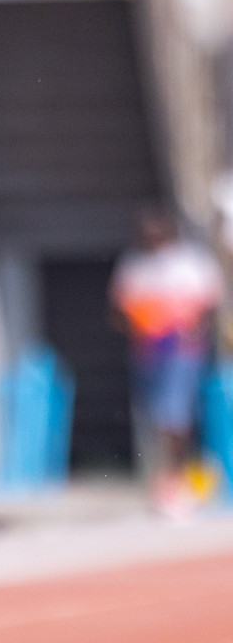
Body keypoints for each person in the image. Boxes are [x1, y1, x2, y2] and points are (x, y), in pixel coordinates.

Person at [111, 210, 222, 516]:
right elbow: (119, 309)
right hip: (148, 354)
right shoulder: (135, 265)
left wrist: (191, 331)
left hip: (181, 353)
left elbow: (210, 305)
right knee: (155, 417)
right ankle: (164, 481)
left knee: (176, 416)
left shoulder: (189, 262)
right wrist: (141, 326)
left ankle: (178, 482)